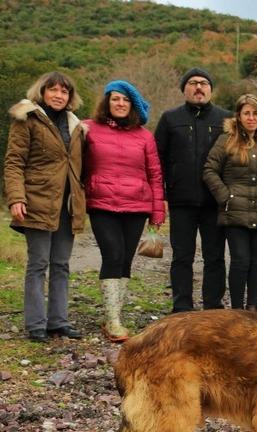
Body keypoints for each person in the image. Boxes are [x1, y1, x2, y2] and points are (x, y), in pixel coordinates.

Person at [3, 72, 86, 342]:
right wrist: (16, 198)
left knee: (61, 264)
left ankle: (58, 322)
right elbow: (14, 161)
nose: (59, 95)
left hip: (67, 204)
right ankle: (36, 324)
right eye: (53, 90)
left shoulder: (76, 126)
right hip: (36, 201)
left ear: (70, 97)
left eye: (64, 91)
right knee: (38, 264)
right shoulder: (27, 118)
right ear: (42, 91)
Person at [84, 80, 164, 342]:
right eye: (115, 98)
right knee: (113, 254)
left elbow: (155, 174)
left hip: (136, 205)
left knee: (126, 258)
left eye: (125, 100)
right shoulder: (88, 129)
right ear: (107, 102)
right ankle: (113, 320)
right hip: (101, 203)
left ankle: (115, 315)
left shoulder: (144, 136)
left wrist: (157, 211)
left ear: (133, 105)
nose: (119, 104)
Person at [154, 67, 232, 313]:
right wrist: (162, 195)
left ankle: (212, 306)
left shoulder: (226, 119)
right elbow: (158, 159)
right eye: (193, 83)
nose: (199, 87)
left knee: (215, 257)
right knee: (182, 257)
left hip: (214, 201)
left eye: (204, 83)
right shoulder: (170, 119)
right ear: (184, 89)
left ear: (210, 89)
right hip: (181, 201)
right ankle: (182, 306)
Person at [203, 94, 257, 311]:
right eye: (246, 113)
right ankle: (238, 310)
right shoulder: (226, 140)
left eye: (255, 113)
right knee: (240, 262)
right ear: (238, 116)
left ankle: (253, 309)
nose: (251, 118)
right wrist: (225, 197)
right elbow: (210, 170)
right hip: (235, 211)